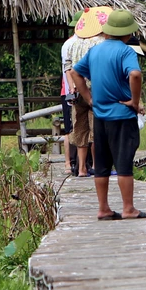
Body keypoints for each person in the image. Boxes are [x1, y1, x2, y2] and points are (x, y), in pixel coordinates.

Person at [69, 9, 146, 220]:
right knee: (124, 162)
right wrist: (135, 102)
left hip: (100, 116)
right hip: (122, 117)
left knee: (103, 164)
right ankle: (128, 209)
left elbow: (75, 72)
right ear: (127, 33)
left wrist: (89, 98)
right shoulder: (126, 52)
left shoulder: (95, 51)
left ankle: (103, 208)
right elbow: (134, 74)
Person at [66, 17, 106, 177]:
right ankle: (96, 165)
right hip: (94, 90)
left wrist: (72, 86)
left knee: (80, 127)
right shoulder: (100, 43)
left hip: (77, 90)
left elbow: (68, 67)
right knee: (95, 129)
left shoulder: (73, 43)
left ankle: (81, 168)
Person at [60, 11, 82, 174]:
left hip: (67, 91)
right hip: (75, 90)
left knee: (70, 128)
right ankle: (77, 163)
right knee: (79, 128)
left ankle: (69, 163)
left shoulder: (67, 44)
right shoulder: (77, 44)